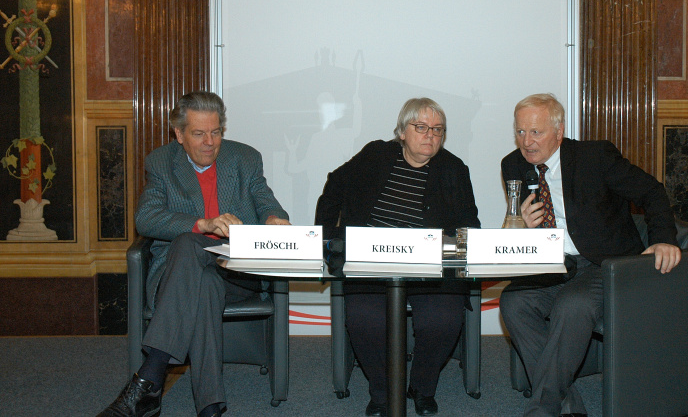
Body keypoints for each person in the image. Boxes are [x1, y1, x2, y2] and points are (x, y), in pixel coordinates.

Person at [98, 91, 290, 417]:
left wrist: (274, 217)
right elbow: (146, 218)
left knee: (199, 260)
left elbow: (266, 201)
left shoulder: (244, 159)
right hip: (178, 273)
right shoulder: (161, 162)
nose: (209, 142)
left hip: (236, 272)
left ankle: (150, 377)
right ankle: (210, 407)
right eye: (199, 133)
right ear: (179, 135)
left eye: (215, 132)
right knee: (200, 271)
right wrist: (203, 223)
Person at [498, 93, 681, 417]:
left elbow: (652, 191)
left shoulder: (595, 157)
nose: (526, 142)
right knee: (513, 302)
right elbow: (514, 227)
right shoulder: (513, 165)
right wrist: (520, 227)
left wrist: (664, 239)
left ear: (558, 129)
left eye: (536, 132)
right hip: (554, 264)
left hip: (604, 263)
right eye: (520, 132)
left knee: (574, 305)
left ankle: (542, 409)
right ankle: (568, 404)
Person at [315, 97, 480, 416]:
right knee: (365, 319)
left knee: (443, 318)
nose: (430, 135)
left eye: (437, 129)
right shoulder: (375, 154)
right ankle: (382, 390)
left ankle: (422, 385)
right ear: (402, 132)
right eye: (421, 127)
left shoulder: (454, 168)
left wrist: (457, 250)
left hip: (430, 266)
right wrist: (329, 238)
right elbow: (335, 184)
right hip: (370, 260)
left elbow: (468, 221)